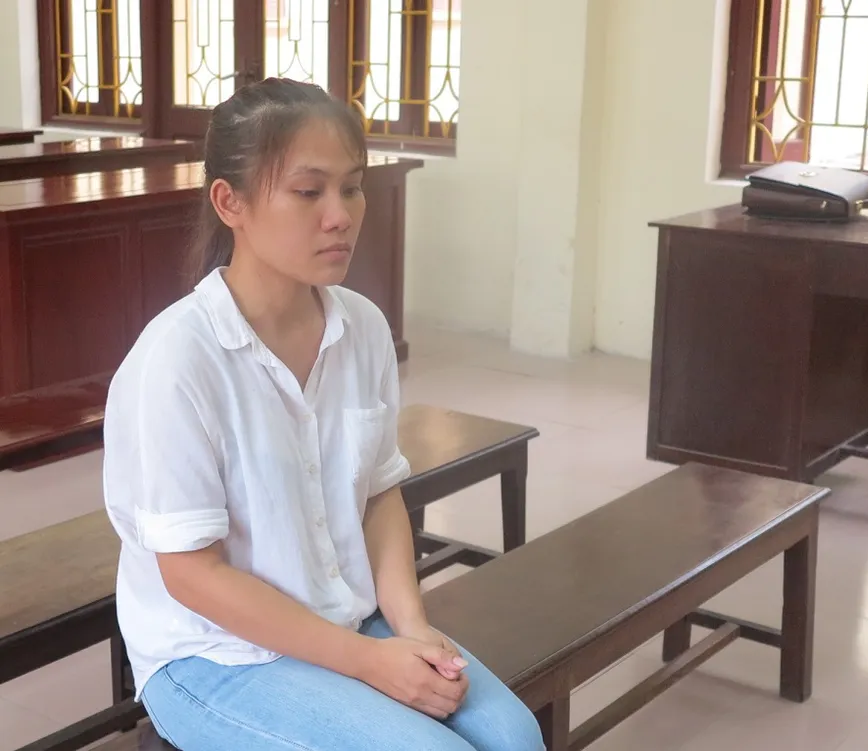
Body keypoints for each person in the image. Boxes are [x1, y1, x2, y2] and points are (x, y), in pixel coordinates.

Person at [102, 77, 544, 751]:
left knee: (515, 736)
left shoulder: (361, 327)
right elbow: (191, 573)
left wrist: (412, 628)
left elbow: (378, 493)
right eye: (309, 192)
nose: (340, 216)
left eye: (353, 188)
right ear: (230, 202)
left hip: (345, 618)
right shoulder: (178, 359)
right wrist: (369, 661)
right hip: (215, 657)